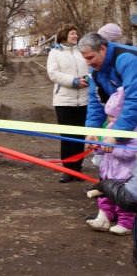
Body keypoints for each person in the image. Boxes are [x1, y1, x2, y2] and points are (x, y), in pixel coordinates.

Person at [86, 87, 136, 235]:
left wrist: (112, 147)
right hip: (108, 170)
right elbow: (104, 147)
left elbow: (129, 153)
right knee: (104, 195)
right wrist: (97, 147)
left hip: (124, 172)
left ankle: (126, 224)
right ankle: (104, 217)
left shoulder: (132, 131)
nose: (110, 120)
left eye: (114, 117)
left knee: (122, 199)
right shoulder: (109, 127)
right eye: (109, 116)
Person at [47, 23, 89, 183]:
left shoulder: (82, 50)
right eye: (73, 33)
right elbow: (53, 73)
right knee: (67, 136)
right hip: (64, 100)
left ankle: (78, 168)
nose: (76, 36)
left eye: (76, 34)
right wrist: (73, 81)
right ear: (64, 35)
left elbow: (91, 67)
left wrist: (87, 79)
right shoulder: (55, 53)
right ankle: (67, 169)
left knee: (79, 135)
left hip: (84, 99)